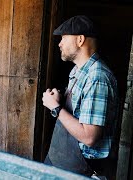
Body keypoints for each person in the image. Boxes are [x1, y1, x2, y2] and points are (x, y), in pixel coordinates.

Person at [42, 15, 119, 177]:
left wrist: (55, 107)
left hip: (79, 169)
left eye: (63, 38)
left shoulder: (97, 77)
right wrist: (59, 100)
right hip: (61, 161)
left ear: (80, 40)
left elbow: (89, 137)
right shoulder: (78, 70)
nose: (59, 43)